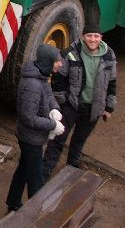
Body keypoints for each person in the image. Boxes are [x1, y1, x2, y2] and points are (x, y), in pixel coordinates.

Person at [43, 25, 118, 177]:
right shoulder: (70, 53)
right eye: (89, 36)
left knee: (80, 139)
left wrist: (109, 107)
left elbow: (112, 82)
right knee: (58, 138)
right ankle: (45, 171)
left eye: (96, 36)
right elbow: (58, 80)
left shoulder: (109, 55)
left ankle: (72, 165)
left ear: (101, 38)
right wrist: (64, 104)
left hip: (94, 108)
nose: (93, 39)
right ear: (83, 37)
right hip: (71, 106)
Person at [6, 44, 65, 213]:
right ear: (48, 62)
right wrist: (53, 125)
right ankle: (37, 214)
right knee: (36, 179)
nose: (60, 64)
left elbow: (49, 95)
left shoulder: (41, 76)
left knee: (24, 169)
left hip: (33, 136)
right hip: (30, 139)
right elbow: (28, 117)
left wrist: (54, 109)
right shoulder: (32, 85)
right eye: (57, 61)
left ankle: (13, 202)